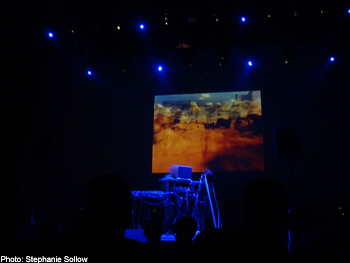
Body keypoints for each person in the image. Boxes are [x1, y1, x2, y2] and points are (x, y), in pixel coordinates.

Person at [161, 164, 179, 234]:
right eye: (176, 171)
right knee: (168, 218)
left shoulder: (174, 178)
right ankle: (162, 233)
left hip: (173, 202)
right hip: (168, 202)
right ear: (173, 171)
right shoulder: (168, 178)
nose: (177, 173)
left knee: (172, 217)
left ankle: (170, 232)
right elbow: (167, 191)